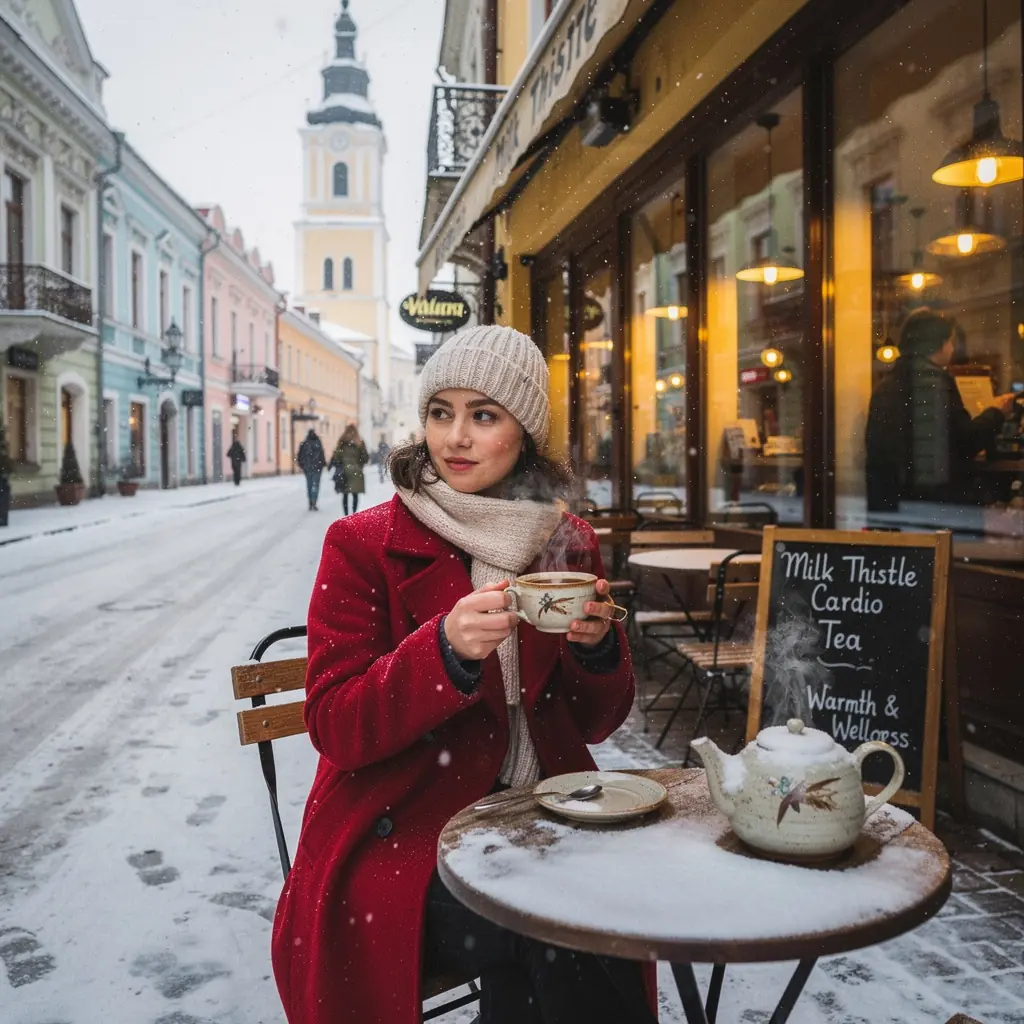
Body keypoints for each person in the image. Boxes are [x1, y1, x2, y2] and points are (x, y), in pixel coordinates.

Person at [271, 325, 656, 1024]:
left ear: (524, 434)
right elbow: (335, 724)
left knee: (601, 908)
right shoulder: (363, 544)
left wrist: (596, 650)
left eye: (483, 415)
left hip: (545, 814)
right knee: (562, 926)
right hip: (405, 835)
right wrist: (441, 652)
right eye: (440, 412)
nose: (455, 437)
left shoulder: (564, 540)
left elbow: (595, 722)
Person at [865, 308, 1015, 511]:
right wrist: (996, 412)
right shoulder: (936, 382)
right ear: (940, 344)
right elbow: (966, 442)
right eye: (950, 342)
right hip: (934, 505)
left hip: (891, 503)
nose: (952, 348)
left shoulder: (885, 386)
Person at [329, 424, 369, 515]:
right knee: (355, 495)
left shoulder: (342, 442)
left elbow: (337, 457)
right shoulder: (360, 443)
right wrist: (359, 464)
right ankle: (354, 515)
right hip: (356, 472)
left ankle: (346, 516)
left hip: (344, 472)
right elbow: (365, 458)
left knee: (345, 495)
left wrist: (341, 461)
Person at [296, 429, 326, 511]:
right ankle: (314, 501)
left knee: (309, 485)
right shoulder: (318, 443)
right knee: (315, 485)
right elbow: (321, 454)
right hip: (317, 468)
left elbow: (299, 456)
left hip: (308, 468)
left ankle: (310, 501)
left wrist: (302, 465)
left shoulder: (305, 443)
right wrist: (323, 463)